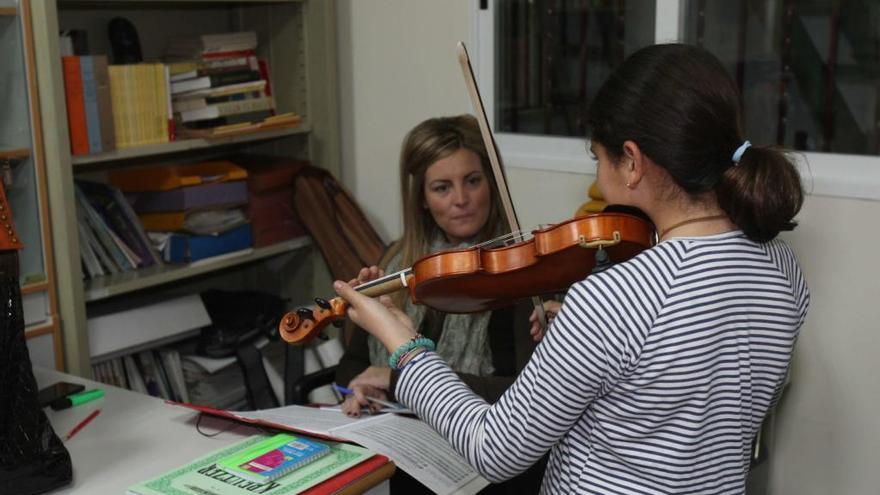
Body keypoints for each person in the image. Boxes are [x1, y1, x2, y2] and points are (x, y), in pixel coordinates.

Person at [333, 44, 810, 494]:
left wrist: (405, 347)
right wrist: (585, 343)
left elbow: (492, 450)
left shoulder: (614, 295)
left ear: (633, 162)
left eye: (597, 158)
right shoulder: (782, 268)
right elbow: (693, 391)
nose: (597, 174)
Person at [334, 114, 546, 493]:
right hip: (408, 454)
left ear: (492, 185)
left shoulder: (520, 273)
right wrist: (362, 388)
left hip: (490, 468)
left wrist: (398, 381)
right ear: (422, 199)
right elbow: (352, 364)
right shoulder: (399, 262)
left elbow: (525, 396)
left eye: (473, 181)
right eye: (442, 188)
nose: (461, 200)